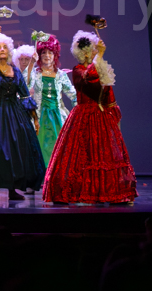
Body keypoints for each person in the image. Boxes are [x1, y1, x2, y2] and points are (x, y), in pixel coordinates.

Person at [42, 31, 136, 204]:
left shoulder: (101, 69)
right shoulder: (78, 70)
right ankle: (80, 192)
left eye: (96, 50)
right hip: (83, 117)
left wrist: (114, 114)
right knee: (79, 155)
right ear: (85, 53)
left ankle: (111, 193)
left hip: (102, 118)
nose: (95, 52)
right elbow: (89, 80)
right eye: (93, 50)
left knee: (105, 156)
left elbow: (108, 94)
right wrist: (100, 56)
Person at [0, 25, 46, 201]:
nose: (2, 49)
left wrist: (34, 119)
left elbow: (25, 94)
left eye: (4, 47)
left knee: (14, 148)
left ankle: (13, 188)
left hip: (13, 112)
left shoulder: (16, 71)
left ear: (9, 51)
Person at [26, 32, 76, 167]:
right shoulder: (35, 74)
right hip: (39, 117)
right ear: (39, 55)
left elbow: (73, 94)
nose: (47, 56)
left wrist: (81, 109)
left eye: (50, 52)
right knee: (40, 150)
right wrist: (31, 64)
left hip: (58, 117)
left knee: (60, 150)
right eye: (44, 53)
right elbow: (25, 85)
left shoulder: (61, 75)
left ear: (55, 55)